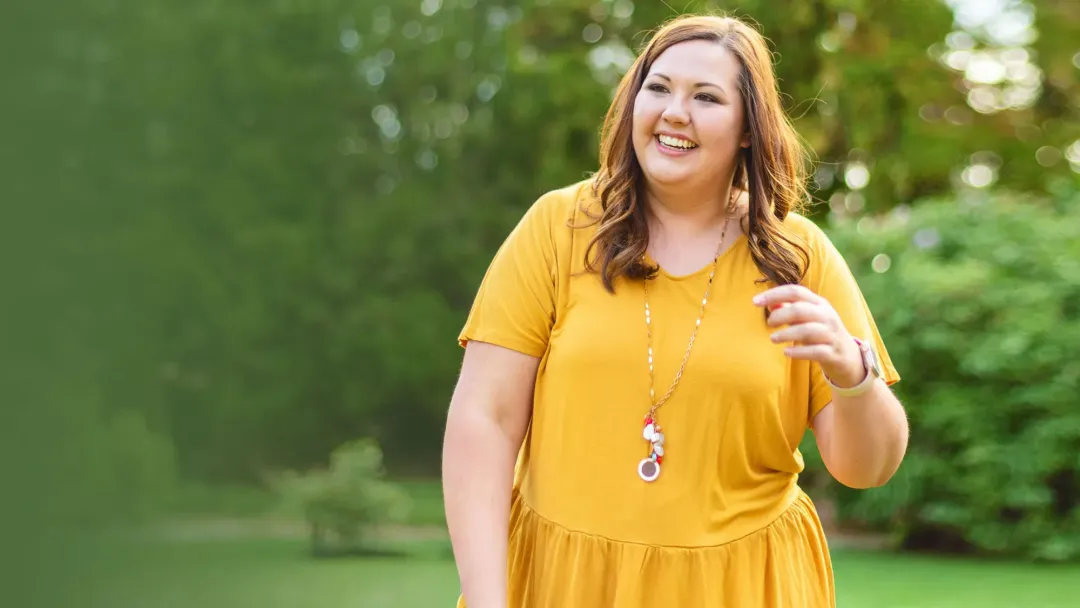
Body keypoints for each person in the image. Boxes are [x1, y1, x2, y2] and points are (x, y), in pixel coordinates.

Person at [441, 13, 908, 608]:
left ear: (748, 128)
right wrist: (486, 598)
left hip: (744, 586)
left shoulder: (798, 255)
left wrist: (854, 374)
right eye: (658, 88)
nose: (675, 112)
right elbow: (485, 419)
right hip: (567, 582)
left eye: (706, 97)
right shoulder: (558, 228)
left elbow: (867, 469)